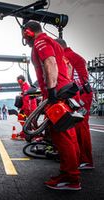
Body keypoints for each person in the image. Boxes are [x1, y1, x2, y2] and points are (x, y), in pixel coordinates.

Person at [22, 21, 81, 190]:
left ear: (28, 33)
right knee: (67, 135)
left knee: (61, 137)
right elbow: (67, 67)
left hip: (57, 95)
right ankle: (70, 173)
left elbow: (50, 63)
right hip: (63, 92)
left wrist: (52, 91)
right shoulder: (53, 42)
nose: (25, 40)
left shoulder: (41, 42)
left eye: (24, 37)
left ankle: (71, 178)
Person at [56, 38, 94, 170]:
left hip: (80, 96)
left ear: (59, 47)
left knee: (80, 128)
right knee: (78, 127)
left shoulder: (66, 57)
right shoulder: (76, 56)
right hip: (83, 95)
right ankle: (80, 158)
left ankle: (86, 160)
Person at [15, 75, 37, 139]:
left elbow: (27, 100)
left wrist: (23, 109)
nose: (18, 82)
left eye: (18, 81)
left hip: (29, 107)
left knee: (23, 118)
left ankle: (33, 134)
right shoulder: (24, 87)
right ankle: (26, 133)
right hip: (29, 107)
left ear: (20, 80)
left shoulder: (25, 87)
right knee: (30, 121)